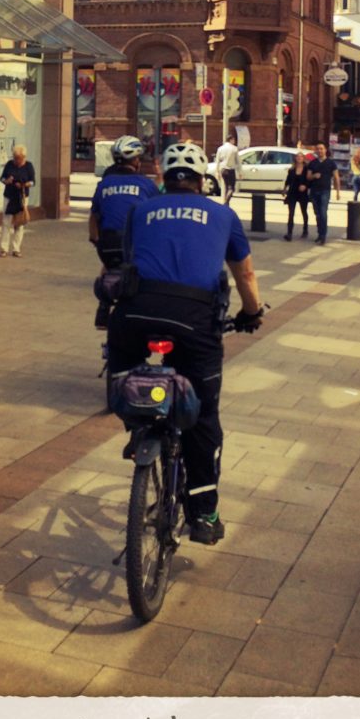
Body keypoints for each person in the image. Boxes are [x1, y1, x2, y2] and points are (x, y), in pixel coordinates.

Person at [107, 142, 264, 546]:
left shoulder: (140, 211)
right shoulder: (223, 214)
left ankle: (139, 423)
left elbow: (127, 261)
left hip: (135, 313)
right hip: (195, 321)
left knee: (122, 371)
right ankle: (203, 514)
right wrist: (252, 314)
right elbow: (244, 274)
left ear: (164, 178)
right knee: (204, 417)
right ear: (201, 180)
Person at [88, 135, 160, 327]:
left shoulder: (104, 184)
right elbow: (158, 209)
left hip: (108, 242)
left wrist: (95, 239)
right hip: (135, 241)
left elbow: (94, 216)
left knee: (109, 267)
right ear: (136, 161)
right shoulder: (145, 184)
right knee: (145, 272)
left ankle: (103, 309)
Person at [0, 145, 35, 257]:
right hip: (9, 196)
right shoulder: (9, 164)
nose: (16, 160)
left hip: (22, 198)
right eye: (15, 157)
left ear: (24, 157)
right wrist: (7, 181)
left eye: (19, 158)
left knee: (19, 223)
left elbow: (33, 181)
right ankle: (4, 249)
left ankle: (16, 248)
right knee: (6, 222)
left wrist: (24, 184)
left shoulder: (29, 166)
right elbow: (2, 178)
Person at [305, 142, 341, 245]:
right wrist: (314, 176)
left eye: (321, 149)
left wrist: (338, 192)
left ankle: (323, 236)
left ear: (325, 150)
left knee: (323, 213)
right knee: (317, 214)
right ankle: (320, 234)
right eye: (318, 149)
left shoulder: (331, 163)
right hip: (314, 191)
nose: (319, 151)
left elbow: (336, 177)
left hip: (325, 191)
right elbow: (308, 177)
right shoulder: (313, 163)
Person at [281, 151, 311, 241]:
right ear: (295, 158)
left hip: (302, 193)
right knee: (291, 213)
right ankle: (289, 233)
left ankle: (305, 230)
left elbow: (309, 180)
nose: (299, 158)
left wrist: (305, 186)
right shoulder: (292, 170)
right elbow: (288, 180)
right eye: (297, 156)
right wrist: (284, 189)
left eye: (301, 157)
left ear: (303, 159)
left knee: (304, 212)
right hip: (292, 192)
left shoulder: (306, 169)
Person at [214, 131, 240, 205]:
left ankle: (226, 203)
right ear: (231, 140)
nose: (234, 142)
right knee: (231, 188)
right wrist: (240, 172)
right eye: (234, 140)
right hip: (230, 170)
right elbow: (238, 161)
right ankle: (226, 202)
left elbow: (217, 160)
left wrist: (217, 171)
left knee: (225, 186)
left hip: (223, 170)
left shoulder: (220, 148)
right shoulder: (234, 149)